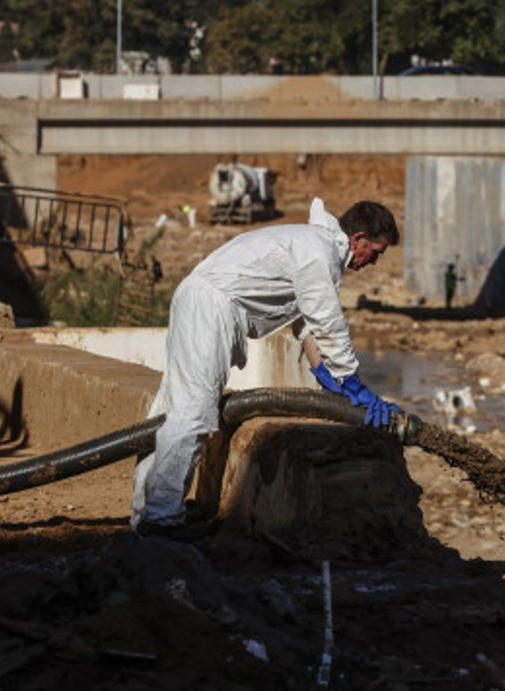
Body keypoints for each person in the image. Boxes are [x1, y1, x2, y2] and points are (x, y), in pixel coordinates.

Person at [130, 197, 401, 540]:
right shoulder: (318, 252)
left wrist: (329, 378)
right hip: (211, 307)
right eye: (375, 252)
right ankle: (160, 519)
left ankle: (147, 512)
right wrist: (352, 381)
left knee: (175, 407)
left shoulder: (310, 247)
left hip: (202, 301)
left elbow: (308, 328)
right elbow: (328, 323)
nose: (373, 262)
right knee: (192, 412)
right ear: (358, 239)